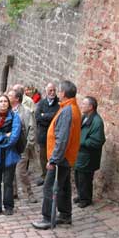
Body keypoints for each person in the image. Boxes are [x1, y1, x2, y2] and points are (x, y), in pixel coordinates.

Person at [32, 80, 81, 230]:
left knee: (49, 187)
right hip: (66, 157)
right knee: (64, 187)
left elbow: (62, 138)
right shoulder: (71, 107)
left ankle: (47, 218)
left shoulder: (68, 110)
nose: (58, 93)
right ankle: (65, 215)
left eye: (59, 91)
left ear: (64, 93)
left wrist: (53, 160)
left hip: (61, 158)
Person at [74, 96, 106, 208]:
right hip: (80, 155)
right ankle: (81, 195)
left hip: (88, 156)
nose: (81, 105)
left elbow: (97, 141)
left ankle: (86, 199)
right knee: (78, 176)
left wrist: (81, 142)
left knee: (85, 179)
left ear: (91, 107)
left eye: (84, 104)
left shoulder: (97, 122)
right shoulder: (85, 117)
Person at [7, 89, 38, 203]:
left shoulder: (26, 112)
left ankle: (29, 193)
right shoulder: (7, 111)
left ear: (17, 99)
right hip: (9, 145)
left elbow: (32, 129)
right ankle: (13, 192)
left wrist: (29, 144)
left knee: (20, 171)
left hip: (22, 145)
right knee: (10, 169)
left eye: (10, 95)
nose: (7, 97)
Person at [35, 82, 60, 186]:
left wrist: (44, 115)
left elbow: (56, 116)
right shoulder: (41, 103)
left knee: (53, 157)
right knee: (42, 157)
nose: (52, 92)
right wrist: (47, 117)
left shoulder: (58, 103)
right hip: (42, 135)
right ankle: (44, 175)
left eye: (54, 90)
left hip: (54, 135)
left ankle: (52, 177)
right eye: (50, 90)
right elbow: (37, 117)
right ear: (46, 91)